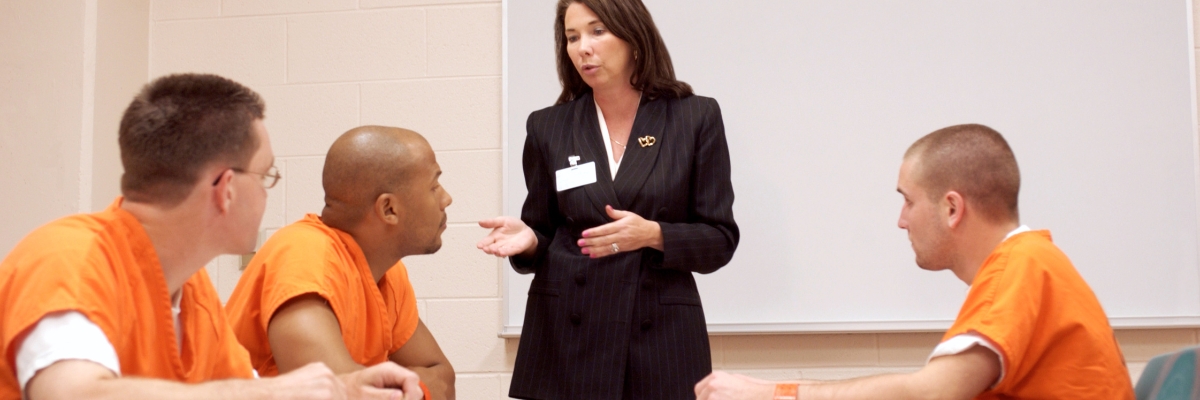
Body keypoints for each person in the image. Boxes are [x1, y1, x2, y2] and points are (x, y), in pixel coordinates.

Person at [0, 74, 423, 400]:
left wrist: (346, 389)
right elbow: (74, 393)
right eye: (266, 176)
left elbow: (242, 389)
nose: (266, 193)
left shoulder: (193, 291)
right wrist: (265, 392)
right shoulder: (67, 258)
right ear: (227, 189)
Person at [694, 124, 1134, 399]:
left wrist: (773, 393)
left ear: (951, 208)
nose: (901, 221)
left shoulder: (1020, 268)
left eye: (908, 201)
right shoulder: (1031, 261)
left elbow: (933, 392)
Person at [475, 0, 738, 398]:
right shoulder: (549, 126)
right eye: (572, 37)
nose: (583, 47)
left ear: (633, 37)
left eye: (597, 31)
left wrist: (652, 234)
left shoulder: (693, 117)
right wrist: (529, 239)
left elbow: (719, 239)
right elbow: (544, 231)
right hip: (567, 336)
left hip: (658, 338)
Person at [226, 126, 455, 399]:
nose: (446, 199)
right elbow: (335, 394)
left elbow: (443, 376)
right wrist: (413, 388)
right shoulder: (304, 257)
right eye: (434, 186)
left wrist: (395, 390)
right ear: (389, 209)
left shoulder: (388, 272)